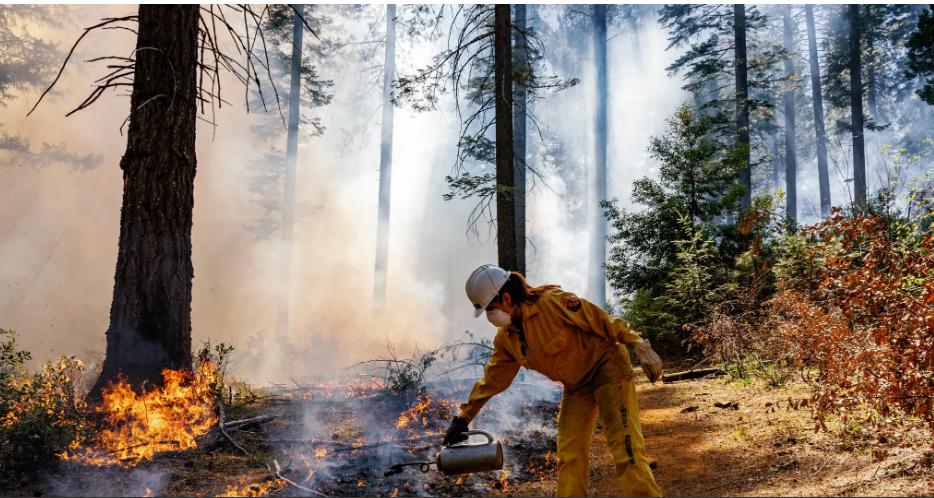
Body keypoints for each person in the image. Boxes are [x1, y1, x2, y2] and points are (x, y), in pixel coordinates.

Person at [444, 264, 663, 497]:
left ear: (506, 298)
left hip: (608, 369)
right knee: (570, 455)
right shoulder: (506, 339)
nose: (489, 316)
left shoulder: (552, 302)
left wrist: (639, 344)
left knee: (625, 449)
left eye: (490, 308)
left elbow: (599, 319)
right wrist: (464, 418)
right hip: (577, 386)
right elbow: (492, 379)